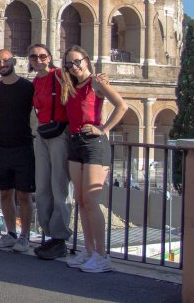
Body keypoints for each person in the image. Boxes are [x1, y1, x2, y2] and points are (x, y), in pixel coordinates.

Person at [61, 45, 127, 273]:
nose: (74, 67)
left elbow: (122, 106)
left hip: (93, 144)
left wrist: (104, 129)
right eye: (69, 64)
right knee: (80, 199)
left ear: (86, 61)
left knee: (91, 201)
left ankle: (102, 255)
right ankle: (88, 250)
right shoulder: (70, 85)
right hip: (75, 142)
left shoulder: (96, 83)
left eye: (78, 61)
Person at [0, 48, 36, 252]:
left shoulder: (27, 87)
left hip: (24, 145)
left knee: (24, 195)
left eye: (5, 61)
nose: (1, 65)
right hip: (1, 144)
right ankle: (11, 233)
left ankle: (24, 236)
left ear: (13, 61)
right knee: (5, 193)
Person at [27, 43, 72, 260]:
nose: (39, 60)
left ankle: (60, 237)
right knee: (42, 186)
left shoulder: (61, 75)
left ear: (50, 57)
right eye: (34, 57)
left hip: (60, 134)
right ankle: (49, 233)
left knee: (59, 186)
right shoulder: (36, 81)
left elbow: (81, 87)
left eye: (42, 56)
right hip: (42, 135)